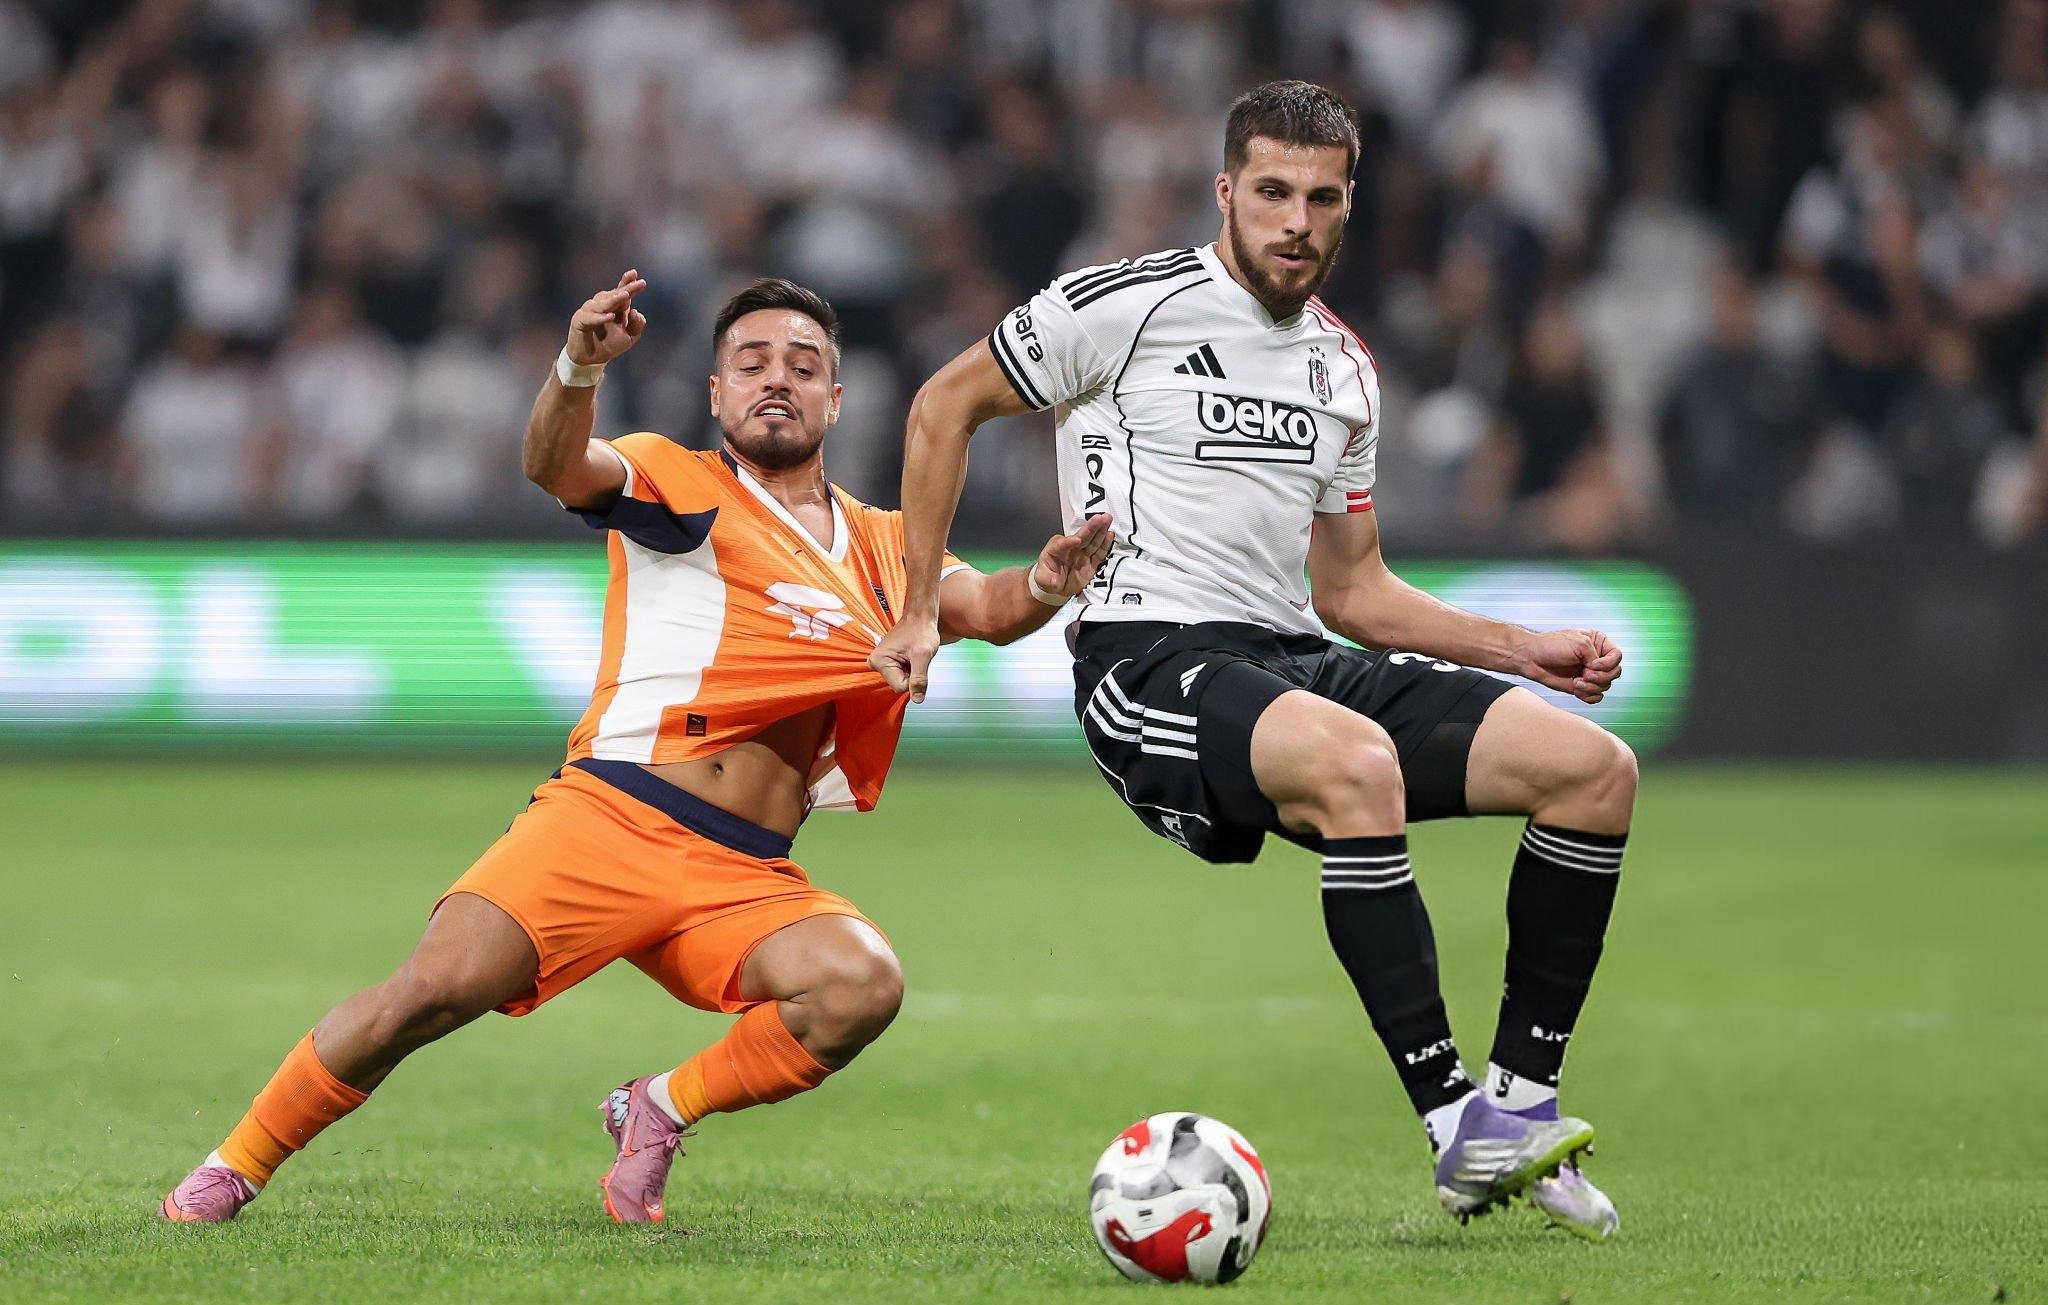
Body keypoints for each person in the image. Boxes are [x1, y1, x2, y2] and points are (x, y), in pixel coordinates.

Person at [161, 273, 1114, 1224]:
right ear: (717, 393)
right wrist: (578, 367)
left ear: (835, 399)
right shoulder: (678, 480)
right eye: (751, 363)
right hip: (609, 821)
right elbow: (555, 465)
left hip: (742, 869)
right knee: (429, 993)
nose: (775, 380)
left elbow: (986, 606)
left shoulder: (884, 545)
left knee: (859, 984)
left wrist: (1045, 580)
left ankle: (659, 1106)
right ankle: (232, 1167)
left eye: (801, 366)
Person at [873, 81, 1637, 1240]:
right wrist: (916, 606)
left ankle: (1521, 1109)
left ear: (1347, 206)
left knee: (1593, 772)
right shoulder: (1122, 304)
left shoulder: (1343, 368)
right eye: (1272, 192)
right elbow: (942, 406)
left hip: (1288, 657)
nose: (1295, 220)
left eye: (1320, 199)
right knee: (1356, 765)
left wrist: (1519, 647)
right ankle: (1455, 1126)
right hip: (1144, 661)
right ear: (1225, 192)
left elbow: (1352, 592)